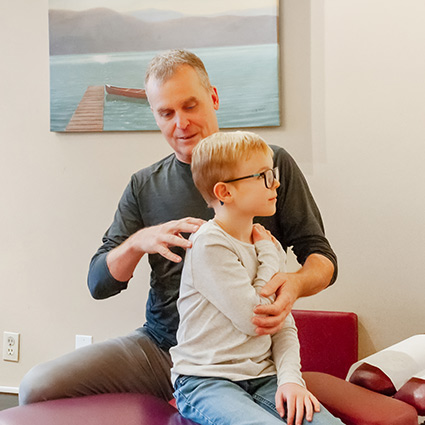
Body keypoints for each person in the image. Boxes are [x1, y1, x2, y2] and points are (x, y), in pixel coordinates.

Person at [19, 49, 337, 405]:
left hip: (248, 357)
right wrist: (139, 241)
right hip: (160, 348)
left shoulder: (269, 166)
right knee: (37, 386)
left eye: (190, 106)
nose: (180, 124)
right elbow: (99, 283)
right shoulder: (144, 185)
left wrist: (293, 285)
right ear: (154, 115)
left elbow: (322, 259)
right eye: (166, 113)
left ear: (213, 97)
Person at [171, 131, 342, 425]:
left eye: (272, 173)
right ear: (225, 192)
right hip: (207, 380)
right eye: (263, 175)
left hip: (263, 377)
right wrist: (267, 254)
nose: (275, 183)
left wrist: (291, 380)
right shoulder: (210, 243)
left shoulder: (269, 246)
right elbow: (255, 319)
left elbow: (281, 323)